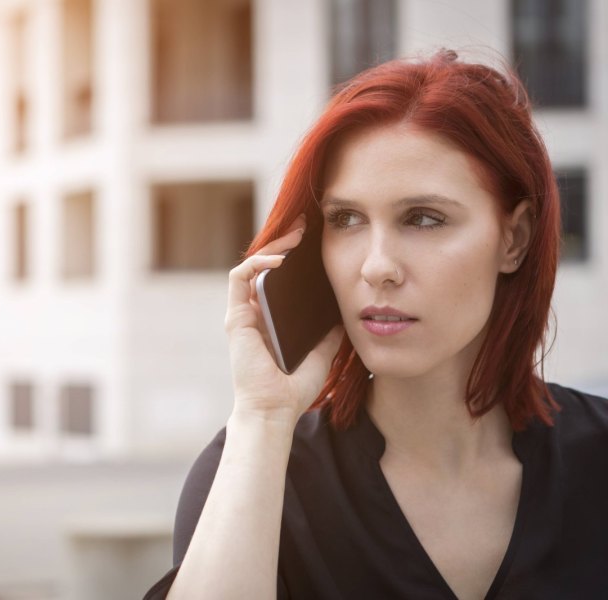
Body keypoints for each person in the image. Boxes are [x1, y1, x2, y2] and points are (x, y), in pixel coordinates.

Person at [143, 49, 608, 600]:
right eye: (346, 219)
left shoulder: (596, 458)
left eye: (424, 218)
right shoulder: (254, 470)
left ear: (515, 238)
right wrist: (265, 418)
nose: (376, 266)